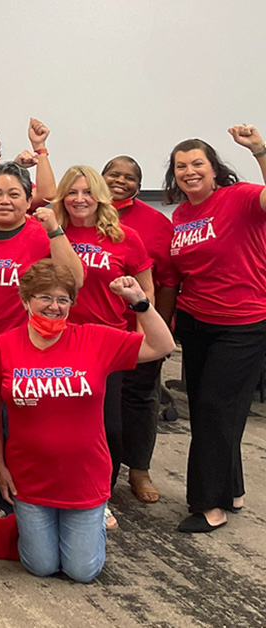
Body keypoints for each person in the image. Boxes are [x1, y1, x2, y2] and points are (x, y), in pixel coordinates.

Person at [0, 260, 174, 582]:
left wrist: (140, 302)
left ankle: (91, 520)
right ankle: (27, 529)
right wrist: (0, 467)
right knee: (40, 566)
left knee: (82, 571)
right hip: (29, 477)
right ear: (25, 300)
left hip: (84, 476)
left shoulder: (95, 339)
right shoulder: (3, 345)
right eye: (44, 297)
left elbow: (162, 346)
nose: (54, 306)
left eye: (63, 299)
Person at [0, 162, 84, 511]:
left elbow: (75, 280)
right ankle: (4, 498)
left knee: (24, 434)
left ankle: (32, 501)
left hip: (27, 354)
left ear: (29, 199)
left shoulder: (40, 236)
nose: (4, 200)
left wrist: (56, 231)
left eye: (14, 194)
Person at [164, 126, 266, 533]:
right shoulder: (181, 215)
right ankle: (232, 490)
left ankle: (210, 505)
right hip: (195, 322)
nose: (189, 172)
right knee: (218, 410)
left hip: (242, 324)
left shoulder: (239, 198)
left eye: (197, 164)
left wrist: (259, 150)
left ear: (214, 168)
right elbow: (175, 275)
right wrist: (168, 328)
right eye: (181, 166)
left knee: (214, 411)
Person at [52, 165, 152, 530]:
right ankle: (59, 493)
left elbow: (146, 291)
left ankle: (99, 497)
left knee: (106, 427)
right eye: (72, 192)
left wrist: (142, 337)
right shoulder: (49, 233)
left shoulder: (126, 237)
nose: (80, 199)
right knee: (61, 427)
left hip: (106, 344)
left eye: (87, 192)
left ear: (101, 196)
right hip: (59, 342)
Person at [102, 155, 176, 504]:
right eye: (113, 174)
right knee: (102, 409)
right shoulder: (78, 215)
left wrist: (155, 324)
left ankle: (139, 469)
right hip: (96, 333)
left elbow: (166, 280)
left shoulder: (156, 223)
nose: (121, 181)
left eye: (130, 177)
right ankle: (101, 476)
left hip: (140, 329)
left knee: (140, 399)